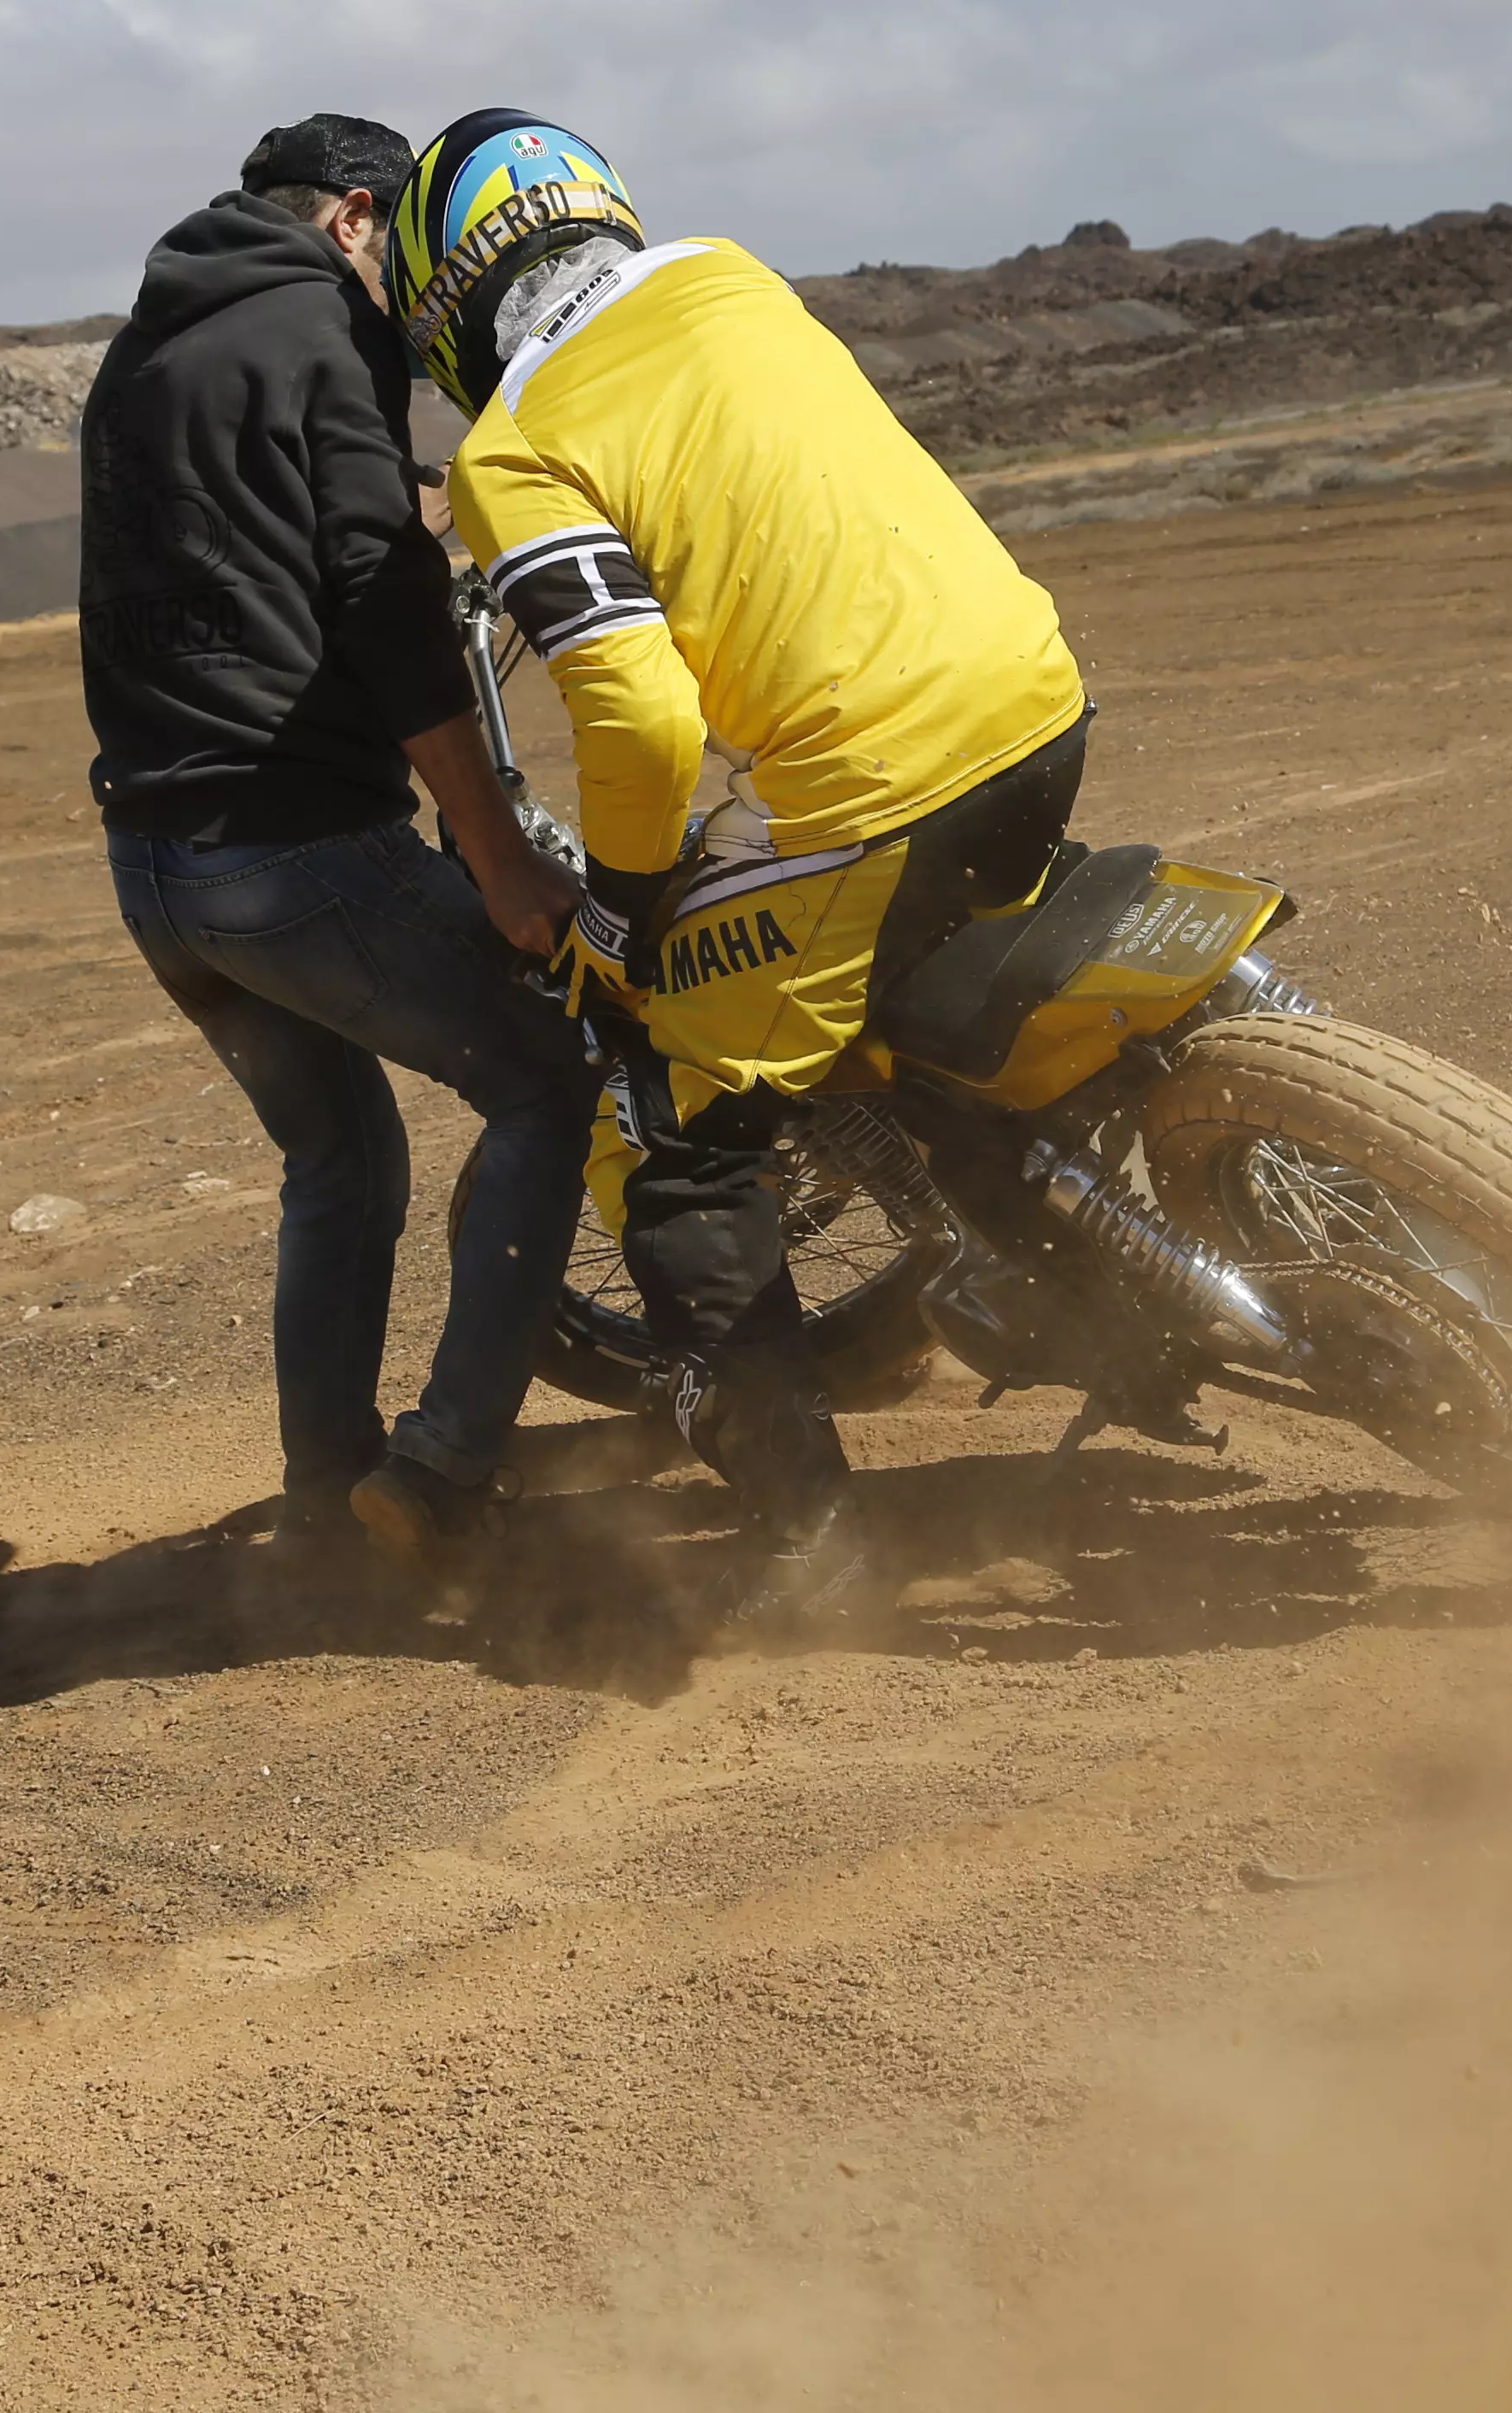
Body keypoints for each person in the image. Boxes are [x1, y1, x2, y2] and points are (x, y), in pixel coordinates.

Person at [383, 109, 1091, 1625]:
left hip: (868, 795)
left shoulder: (515, 449)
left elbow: (641, 711)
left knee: (666, 1130)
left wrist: (624, 913)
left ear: (445, 305)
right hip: (1037, 700)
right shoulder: (738, 279)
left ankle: (814, 1550)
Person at [77, 113, 594, 1584]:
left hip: (158, 863)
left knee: (342, 1152)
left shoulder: (152, 344)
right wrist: (493, 853)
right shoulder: (323, 322)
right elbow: (374, 592)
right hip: (290, 852)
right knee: (547, 1081)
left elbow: (251, 545)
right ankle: (441, 1477)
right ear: (359, 217)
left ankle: (327, 1500)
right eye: (406, 251)